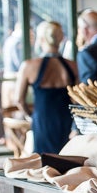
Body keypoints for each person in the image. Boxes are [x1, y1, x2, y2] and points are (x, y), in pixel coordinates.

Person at [14, 21, 78, 154]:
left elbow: (19, 100)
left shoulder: (29, 66)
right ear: (60, 39)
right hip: (65, 119)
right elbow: (78, 100)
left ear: (42, 39)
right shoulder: (72, 66)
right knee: (65, 158)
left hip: (42, 119)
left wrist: (30, 116)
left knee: (44, 160)